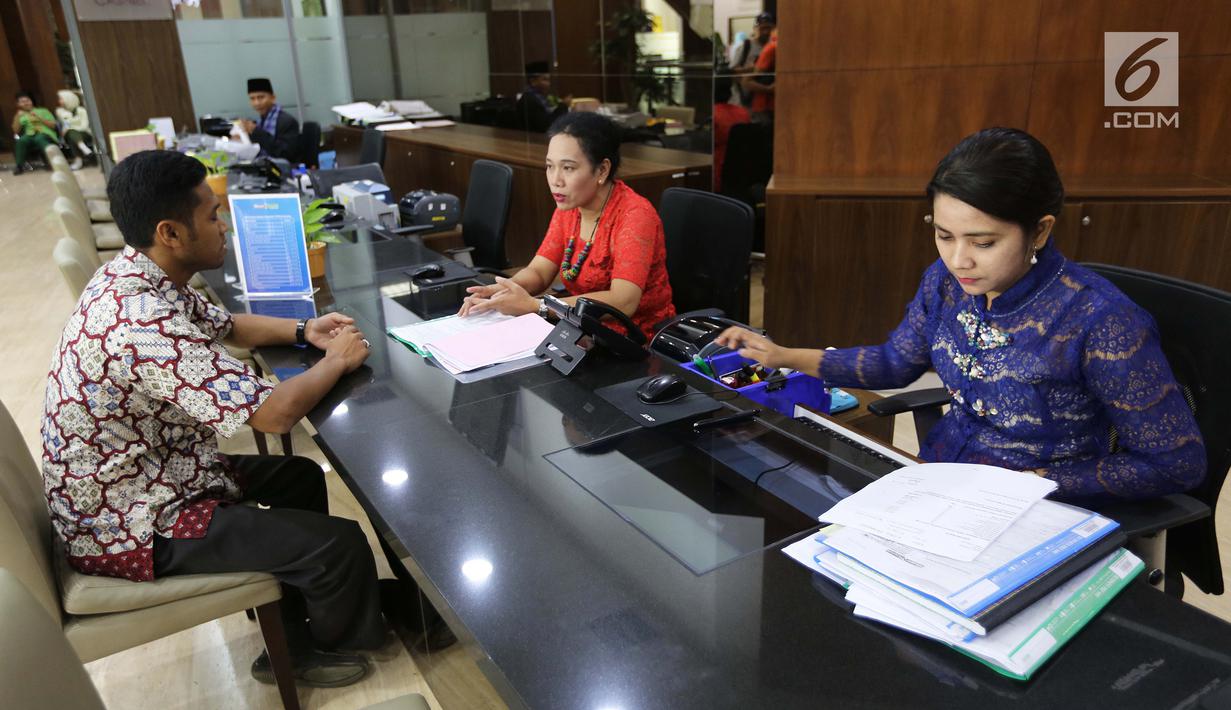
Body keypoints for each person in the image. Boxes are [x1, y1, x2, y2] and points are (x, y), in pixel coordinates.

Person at [41, 150, 387, 687]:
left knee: (299, 476)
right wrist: (337, 361)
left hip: (152, 477)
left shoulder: (139, 274)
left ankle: (302, 602)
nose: (222, 225)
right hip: (131, 522)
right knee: (338, 544)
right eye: (211, 215)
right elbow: (274, 416)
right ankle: (317, 647)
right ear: (171, 232)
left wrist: (304, 330)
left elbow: (227, 325)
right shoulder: (142, 323)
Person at [716, 127, 1206, 502]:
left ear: (1039, 231)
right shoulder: (945, 284)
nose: (958, 260)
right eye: (944, 235)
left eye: (983, 242)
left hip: (1036, 504)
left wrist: (1041, 480)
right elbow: (894, 364)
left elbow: (1177, 463)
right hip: (943, 476)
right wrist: (783, 355)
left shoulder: (1101, 321)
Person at [459, 111, 675, 341]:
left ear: (602, 170)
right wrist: (505, 290)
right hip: (581, 331)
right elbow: (539, 272)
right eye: (549, 166)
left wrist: (537, 306)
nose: (555, 180)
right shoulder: (570, 207)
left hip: (636, 341)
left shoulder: (635, 215)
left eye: (568, 168)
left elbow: (624, 302)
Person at [237, 77, 300, 161]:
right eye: (252, 99)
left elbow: (285, 154)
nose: (257, 103)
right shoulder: (259, 121)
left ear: (273, 98)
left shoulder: (287, 122)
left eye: (261, 97)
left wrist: (256, 132)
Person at [729, 12, 776, 107]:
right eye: (762, 28)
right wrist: (748, 70)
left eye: (769, 28)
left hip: (765, 100)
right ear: (755, 29)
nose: (766, 32)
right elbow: (731, 72)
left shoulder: (773, 47)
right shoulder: (746, 46)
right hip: (744, 99)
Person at [515, 60, 571, 133]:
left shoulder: (537, 97)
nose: (548, 84)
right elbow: (548, 126)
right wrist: (563, 105)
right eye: (545, 79)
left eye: (548, 80)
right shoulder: (530, 101)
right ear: (533, 81)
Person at [10, 91, 57, 175]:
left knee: (40, 139)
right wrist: (18, 117)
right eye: (22, 102)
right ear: (18, 104)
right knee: (21, 141)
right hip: (29, 134)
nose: (26, 103)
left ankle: (53, 161)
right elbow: (16, 131)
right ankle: (19, 166)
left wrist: (39, 117)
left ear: (31, 101)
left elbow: (53, 125)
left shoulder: (43, 110)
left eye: (27, 100)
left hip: (45, 132)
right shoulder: (19, 115)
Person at [55, 90, 95, 170]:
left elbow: (84, 126)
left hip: (85, 133)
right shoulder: (60, 112)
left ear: (68, 99)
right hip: (70, 134)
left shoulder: (81, 110)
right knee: (71, 134)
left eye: (61, 99)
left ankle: (78, 160)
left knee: (71, 134)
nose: (59, 101)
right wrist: (66, 130)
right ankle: (83, 148)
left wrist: (71, 128)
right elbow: (66, 125)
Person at [742, 31, 776, 124]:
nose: (765, 32)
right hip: (765, 105)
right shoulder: (772, 47)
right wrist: (768, 89)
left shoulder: (772, 46)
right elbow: (746, 81)